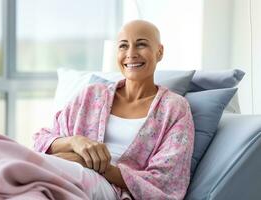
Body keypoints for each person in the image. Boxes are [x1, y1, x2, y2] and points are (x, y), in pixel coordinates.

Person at [34, 20, 195, 200]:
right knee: (2, 152)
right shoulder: (91, 94)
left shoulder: (174, 108)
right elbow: (41, 140)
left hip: (107, 187)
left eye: (141, 44)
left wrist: (93, 165)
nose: (131, 54)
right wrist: (74, 142)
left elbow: (166, 182)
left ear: (159, 51)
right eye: (123, 46)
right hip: (61, 171)